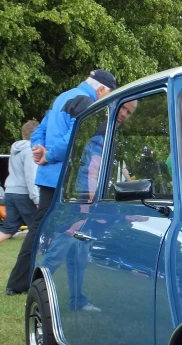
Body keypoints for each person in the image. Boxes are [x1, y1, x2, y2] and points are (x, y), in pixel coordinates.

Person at [5, 69, 116, 296]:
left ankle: (21, 282)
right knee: (70, 231)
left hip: (48, 176)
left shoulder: (62, 97)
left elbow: (41, 129)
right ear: (102, 89)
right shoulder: (86, 102)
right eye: (109, 94)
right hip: (65, 178)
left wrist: (37, 148)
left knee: (42, 230)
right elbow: (76, 136)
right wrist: (48, 155)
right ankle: (29, 283)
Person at [0, 120, 40, 244]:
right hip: (23, 194)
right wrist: (36, 199)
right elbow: (31, 176)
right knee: (37, 228)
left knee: (8, 228)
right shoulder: (30, 151)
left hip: (10, 192)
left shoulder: (15, 150)